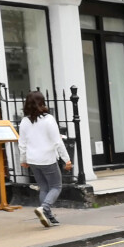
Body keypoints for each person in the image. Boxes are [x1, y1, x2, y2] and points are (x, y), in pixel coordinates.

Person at [18, 91, 72, 227]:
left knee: (44, 188)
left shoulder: (24, 121)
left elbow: (22, 143)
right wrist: (67, 159)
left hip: (33, 160)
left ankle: (48, 217)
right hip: (47, 159)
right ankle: (44, 208)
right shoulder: (48, 119)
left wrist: (23, 160)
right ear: (42, 102)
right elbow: (57, 142)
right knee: (56, 186)